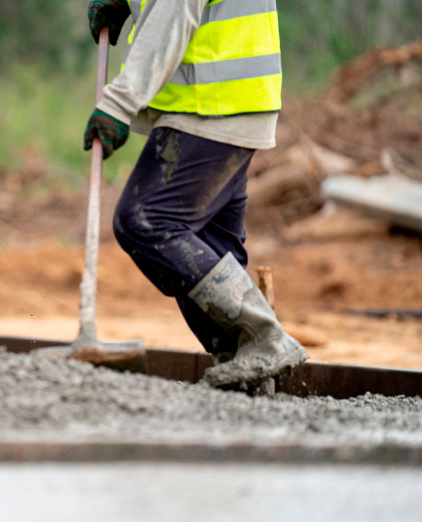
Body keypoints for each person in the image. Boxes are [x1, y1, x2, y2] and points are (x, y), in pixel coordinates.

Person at [83, 0, 307, 392]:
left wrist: (119, 103)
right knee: (209, 244)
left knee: (146, 219)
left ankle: (264, 337)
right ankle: (247, 374)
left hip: (209, 105)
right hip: (236, 102)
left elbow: (173, 16)